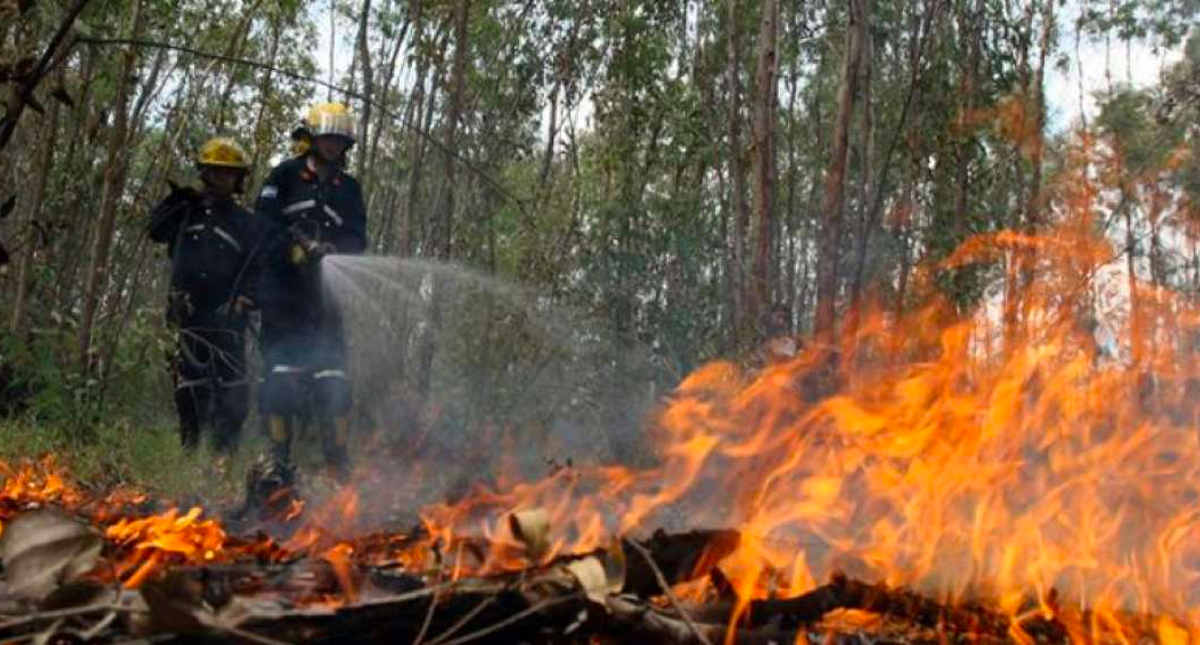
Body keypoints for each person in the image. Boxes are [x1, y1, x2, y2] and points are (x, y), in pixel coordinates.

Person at [254, 101, 367, 481]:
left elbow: (357, 238)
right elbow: (262, 225)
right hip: (283, 298)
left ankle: (337, 461)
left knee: (333, 380)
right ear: (313, 138)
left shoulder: (349, 189)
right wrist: (292, 248)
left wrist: (334, 250)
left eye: (340, 139)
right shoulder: (283, 176)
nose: (333, 145)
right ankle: (277, 460)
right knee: (280, 379)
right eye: (327, 137)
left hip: (325, 300)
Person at [148, 137, 260, 461]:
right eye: (216, 172)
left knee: (234, 389)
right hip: (188, 312)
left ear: (239, 179)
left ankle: (223, 456)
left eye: (230, 174)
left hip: (228, 317)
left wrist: (245, 300)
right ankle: (190, 453)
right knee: (189, 386)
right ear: (204, 173)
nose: (223, 179)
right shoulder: (186, 211)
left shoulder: (245, 223)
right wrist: (174, 202)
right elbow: (155, 231)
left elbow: (257, 270)